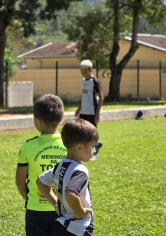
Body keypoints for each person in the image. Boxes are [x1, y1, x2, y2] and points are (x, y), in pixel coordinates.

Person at [15, 94, 67, 236]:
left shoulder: (28, 146)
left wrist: (29, 198)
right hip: (64, 208)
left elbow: (20, 182)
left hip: (35, 209)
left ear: (38, 121)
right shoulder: (69, 144)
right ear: (60, 119)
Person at [36, 118, 98, 236]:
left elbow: (40, 181)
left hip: (61, 224)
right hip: (78, 227)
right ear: (79, 147)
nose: (94, 150)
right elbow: (70, 194)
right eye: (92, 146)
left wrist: (55, 203)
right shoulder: (80, 171)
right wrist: (80, 212)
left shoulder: (60, 165)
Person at [75, 59, 104, 160]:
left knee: (91, 133)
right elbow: (84, 97)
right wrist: (79, 108)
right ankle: (93, 147)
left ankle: (94, 152)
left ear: (91, 70)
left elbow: (101, 97)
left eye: (85, 72)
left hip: (92, 112)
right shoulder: (83, 81)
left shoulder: (94, 81)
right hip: (84, 111)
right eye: (81, 72)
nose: (83, 74)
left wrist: (97, 114)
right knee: (81, 131)